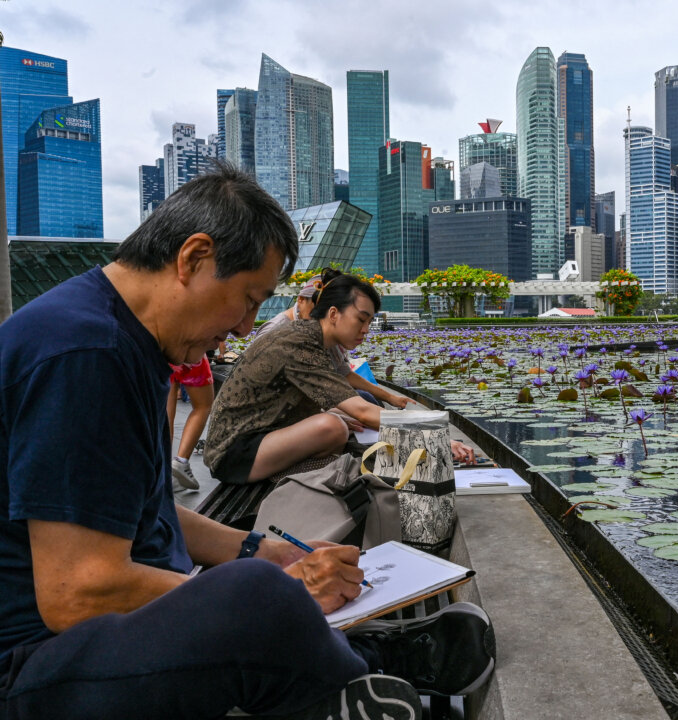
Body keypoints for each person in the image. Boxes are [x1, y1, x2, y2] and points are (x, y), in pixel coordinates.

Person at [0, 164, 494, 719]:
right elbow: (77, 593)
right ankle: (370, 669)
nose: (245, 327)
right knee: (255, 594)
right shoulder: (84, 355)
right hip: (34, 664)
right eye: (249, 298)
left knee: (262, 574)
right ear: (193, 258)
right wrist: (286, 590)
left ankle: (353, 662)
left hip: (89, 640)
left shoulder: (124, 341)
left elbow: (141, 508)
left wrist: (265, 550)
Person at [205, 268, 475, 484]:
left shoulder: (310, 338)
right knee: (332, 427)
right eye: (361, 319)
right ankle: (289, 478)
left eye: (369, 322)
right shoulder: (298, 342)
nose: (366, 330)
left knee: (339, 424)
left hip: (258, 440)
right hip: (233, 454)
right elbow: (361, 410)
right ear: (333, 314)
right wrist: (434, 436)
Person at [257, 273, 416, 410]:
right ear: (300, 300)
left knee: (366, 401)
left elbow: (342, 373)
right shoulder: (281, 333)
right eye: (360, 320)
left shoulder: (323, 333)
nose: (321, 313)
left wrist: (389, 397)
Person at [166, 354, 214, 491]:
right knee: (203, 406)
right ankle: (181, 461)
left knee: (165, 410)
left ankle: (162, 467)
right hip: (190, 349)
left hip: (162, 346)